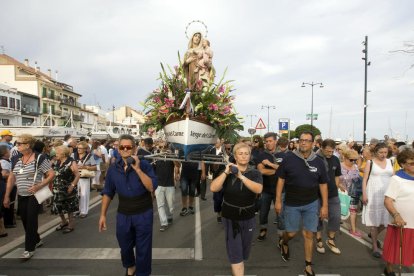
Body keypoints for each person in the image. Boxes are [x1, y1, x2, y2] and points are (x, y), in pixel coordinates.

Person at [99, 134, 157, 276]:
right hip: (123, 214)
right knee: (125, 246)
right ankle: (130, 265)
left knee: (143, 249)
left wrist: (137, 169)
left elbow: (151, 187)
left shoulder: (145, 165)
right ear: (118, 149)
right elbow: (108, 192)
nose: (125, 149)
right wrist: (102, 215)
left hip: (143, 213)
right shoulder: (113, 169)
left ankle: (142, 273)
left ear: (134, 149)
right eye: (122, 147)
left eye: (128, 147)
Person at [275, 132, 328, 276]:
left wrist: (324, 206)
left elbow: (323, 184)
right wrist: (278, 200)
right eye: (301, 140)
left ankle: (308, 266)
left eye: (307, 141)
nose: (303, 143)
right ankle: (284, 242)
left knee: (309, 234)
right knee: (291, 233)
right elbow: (280, 180)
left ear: (312, 143)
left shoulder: (319, 162)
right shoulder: (288, 159)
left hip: (311, 203)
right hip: (291, 203)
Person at [210, 142, 263, 276]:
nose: (244, 156)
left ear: (250, 156)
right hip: (231, 218)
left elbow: (258, 189)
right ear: (235, 156)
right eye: (240, 153)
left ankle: (236, 270)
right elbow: (213, 188)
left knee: (243, 254)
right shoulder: (227, 171)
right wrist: (226, 173)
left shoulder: (255, 173)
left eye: (246, 153)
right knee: (236, 254)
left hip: (248, 218)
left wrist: (241, 176)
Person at [3, 134, 55, 259]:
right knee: (26, 220)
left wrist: (39, 186)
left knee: (31, 219)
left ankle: (29, 248)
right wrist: (7, 195)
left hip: (35, 194)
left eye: (20, 144)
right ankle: (36, 239)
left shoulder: (39, 158)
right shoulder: (16, 158)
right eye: (17, 143)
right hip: (21, 194)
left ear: (28, 145)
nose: (17, 146)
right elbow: (11, 177)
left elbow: (51, 174)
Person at [382, 149, 414, 276]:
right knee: (395, 249)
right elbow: (388, 201)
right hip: (401, 222)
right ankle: (389, 269)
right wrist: (396, 215)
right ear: (402, 164)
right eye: (411, 163)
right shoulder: (397, 179)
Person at [362, 142, 394, 258]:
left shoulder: (391, 161)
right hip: (373, 194)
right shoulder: (370, 163)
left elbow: (393, 177)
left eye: (385, 152)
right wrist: (364, 194)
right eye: (381, 152)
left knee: (387, 221)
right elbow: (364, 179)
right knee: (374, 221)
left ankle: (373, 234)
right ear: (376, 152)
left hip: (387, 194)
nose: (383, 154)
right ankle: (375, 246)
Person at [315, 139, 343, 255]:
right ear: (321, 147)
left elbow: (337, 175)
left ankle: (330, 239)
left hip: (332, 194)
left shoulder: (336, 159)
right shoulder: (315, 159)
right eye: (327, 151)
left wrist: (335, 187)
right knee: (318, 217)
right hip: (316, 194)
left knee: (336, 216)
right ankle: (318, 239)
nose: (330, 154)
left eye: (332, 151)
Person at [51, 145, 80, 234]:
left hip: (67, 189)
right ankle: (64, 222)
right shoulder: (57, 162)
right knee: (58, 206)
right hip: (57, 188)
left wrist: (72, 186)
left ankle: (71, 224)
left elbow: (77, 175)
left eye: (57, 153)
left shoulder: (71, 162)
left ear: (63, 153)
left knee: (69, 207)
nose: (56, 154)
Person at [256, 132, 279, 241]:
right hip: (265, 189)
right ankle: (263, 229)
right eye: (266, 142)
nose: (268, 143)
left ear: (275, 141)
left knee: (280, 213)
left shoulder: (285, 155)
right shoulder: (261, 155)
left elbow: (287, 171)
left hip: (280, 190)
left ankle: (281, 235)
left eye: (270, 141)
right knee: (263, 212)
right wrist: (278, 170)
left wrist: (270, 165)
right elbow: (261, 171)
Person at [154, 142, 180, 231]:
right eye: (161, 147)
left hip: (169, 184)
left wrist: (172, 157)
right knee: (160, 205)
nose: (163, 148)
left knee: (171, 205)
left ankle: (170, 215)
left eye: (165, 146)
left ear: (168, 147)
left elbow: (178, 165)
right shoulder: (156, 156)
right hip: (159, 185)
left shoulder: (171, 156)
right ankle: (163, 223)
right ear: (158, 147)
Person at [340, 149, 363, 237]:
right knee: (340, 210)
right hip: (341, 193)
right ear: (345, 158)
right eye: (351, 160)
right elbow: (334, 178)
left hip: (353, 193)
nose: (353, 162)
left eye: (355, 160)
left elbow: (358, 179)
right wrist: (339, 185)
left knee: (353, 212)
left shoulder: (356, 167)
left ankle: (353, 229)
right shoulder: (339, 166)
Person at [72, 141, 96, 218]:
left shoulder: (90, 156)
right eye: (77, 148)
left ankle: (84, 211)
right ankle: (76, 210)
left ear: (85, 149)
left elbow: (95, 167)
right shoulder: (74, 155)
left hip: (84, 177)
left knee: (84, 194)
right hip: (75, 177)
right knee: (76, 194)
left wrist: (85, 167)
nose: (78, 150)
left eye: (80, 148)